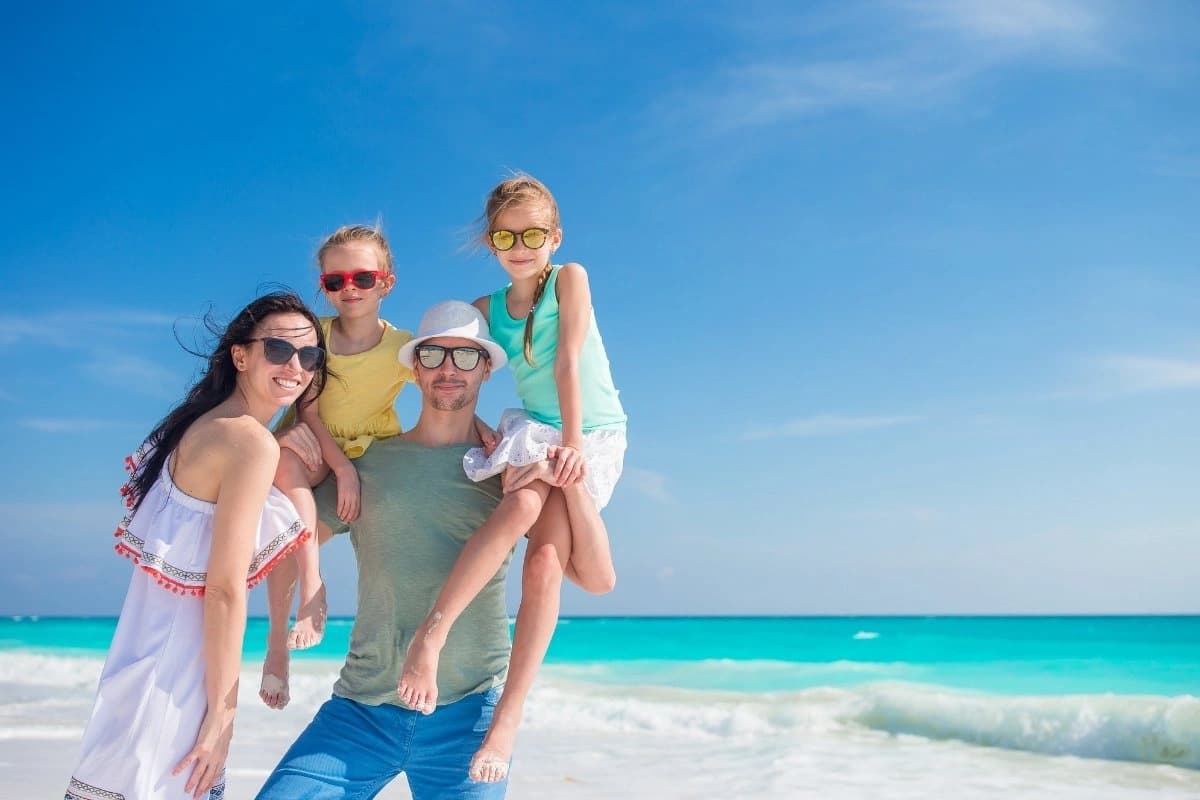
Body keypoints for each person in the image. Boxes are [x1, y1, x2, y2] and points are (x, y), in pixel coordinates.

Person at [398, 174, 626, 782]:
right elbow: (460, 369)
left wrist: (572, 447)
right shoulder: (485, 310)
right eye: (506, 235)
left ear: (554, 236)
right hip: (532, 426)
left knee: (576, 572)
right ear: (490, 241)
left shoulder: (569, 277)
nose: (519, 245)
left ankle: (506, 716)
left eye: (532, 234)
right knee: (535, 539)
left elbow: (568, 360)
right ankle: (441, 644)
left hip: (590, 429)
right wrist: (475, 429)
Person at [65, 292, 328, 800]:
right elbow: (225, 589)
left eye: (309, 356)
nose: (295, 366)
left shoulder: (201, 426)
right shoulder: (250, 442)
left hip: (141, 668)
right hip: (175, 687)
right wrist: (222, 717)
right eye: (277, 349)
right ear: (241, 355)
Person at [256, 300, 514, 800]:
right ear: (414, 367)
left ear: (485, 368)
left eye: (465, 357)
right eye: (435, 354)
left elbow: (580, 571)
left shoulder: (504, 468)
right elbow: (284, 547)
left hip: (468, 715)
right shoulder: (369, 462)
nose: (447, 369)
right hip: (361, 709)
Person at [259, 224, 415, 710]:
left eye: (363, 279)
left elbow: (443, 388)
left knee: (294, 545)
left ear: (386, 283)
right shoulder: (316, 335)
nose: (349, 289)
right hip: (315, 444)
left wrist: (481, 430)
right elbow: (307, 410)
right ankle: (291, 624)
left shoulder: (403, 347)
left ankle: (391, 655)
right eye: (335, 281)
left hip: (372, 451)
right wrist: (340, 469)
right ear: (323, 287)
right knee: (283, 467)